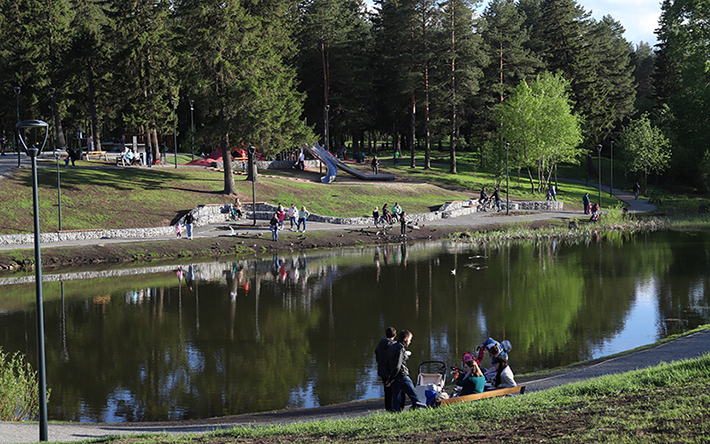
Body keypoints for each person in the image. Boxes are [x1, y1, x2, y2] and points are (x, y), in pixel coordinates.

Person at [386, 330, 426, 411]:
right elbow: (398, 366)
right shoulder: (400, 348)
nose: (410, 342)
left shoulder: (392, 347)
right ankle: (419, 412)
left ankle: (395, 415)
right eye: (410, 339)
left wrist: (390, 378)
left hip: (395, 378)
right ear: (405, 339)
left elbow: (388, 362)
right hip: (402, 376)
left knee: (396, 400)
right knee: (415, 398)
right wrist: (390, 379)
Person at [374, 326, 398, 411]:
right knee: (395, 390)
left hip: (382, 371)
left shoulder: (380, 344)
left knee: (387, 391)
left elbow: (377, 354)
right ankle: (395, 408)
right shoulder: (394, 346)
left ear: (385, 334)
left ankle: (388, 408)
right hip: (391, 371)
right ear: (395, 336)